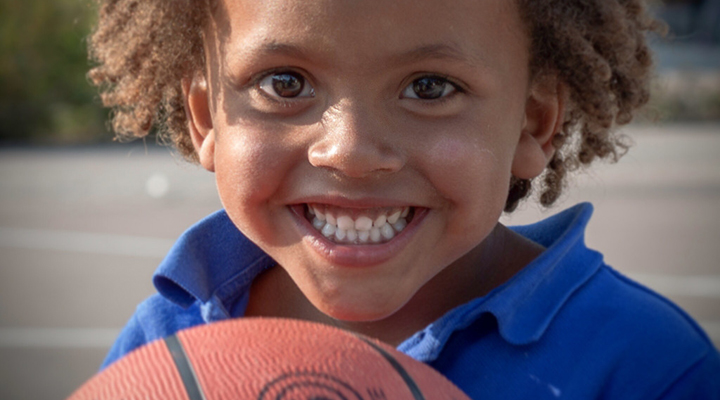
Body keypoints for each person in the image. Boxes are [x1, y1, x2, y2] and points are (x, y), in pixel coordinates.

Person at [88, 0, 720, 398]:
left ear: (534, 124)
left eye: (428, 86)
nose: (352, 152)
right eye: (285, 83)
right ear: (206, 120)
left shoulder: (648, 367)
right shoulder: (162, 353)